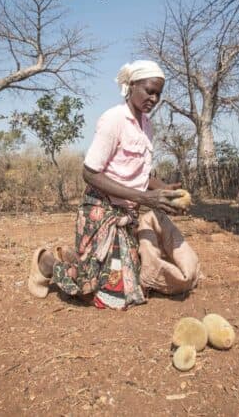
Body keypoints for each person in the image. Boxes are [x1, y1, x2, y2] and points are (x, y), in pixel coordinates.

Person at [27, 60, 200, 309]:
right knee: (96, 292)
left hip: (125, 214)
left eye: (158, 94)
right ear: (131, 86)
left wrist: (163, 190)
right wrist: (145, 199)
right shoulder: (114, 119)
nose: (153, 98)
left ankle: (80, 260)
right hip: (100, 210)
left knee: (131, 289)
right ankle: (45, 263)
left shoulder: (147, 126)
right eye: (149, 90)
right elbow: (90, 173)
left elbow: (139, 174)